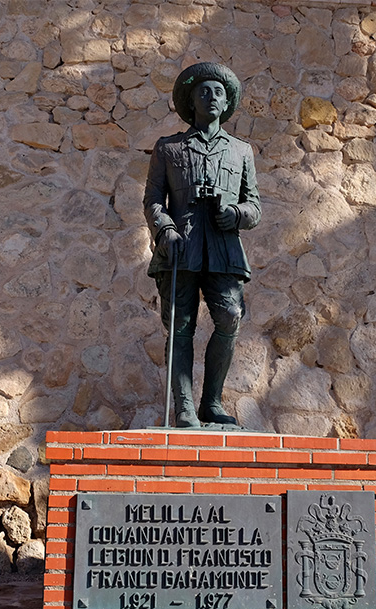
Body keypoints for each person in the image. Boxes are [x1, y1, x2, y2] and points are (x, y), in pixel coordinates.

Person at [144, 62, 261, 428]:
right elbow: (152, 201)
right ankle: (183, 407)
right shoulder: (169, 148)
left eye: (219, 93)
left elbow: (254, 206)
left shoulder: (241, 151)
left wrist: (236, 214)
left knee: (230, 316)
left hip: (224, 248)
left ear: (227, 104)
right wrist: (165, 230)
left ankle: (211, 402)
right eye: (204, 91)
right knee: (180, 325)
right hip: (181, 247)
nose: (212, 97)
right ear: (191, 100)